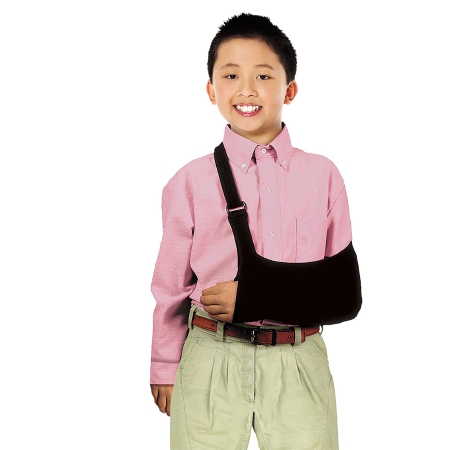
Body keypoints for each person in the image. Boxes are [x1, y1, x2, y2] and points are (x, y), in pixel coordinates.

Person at [150, 12, 361, 449]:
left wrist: (255, 295)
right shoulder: (189, 181)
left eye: (263, 76)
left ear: (289, 90)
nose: (246, 89)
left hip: (297, 359)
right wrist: (164, 364)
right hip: (211, 355)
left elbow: (344, 293)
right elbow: (171, 286)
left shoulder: (323, 175)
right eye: (231, 76)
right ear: (211, 90)